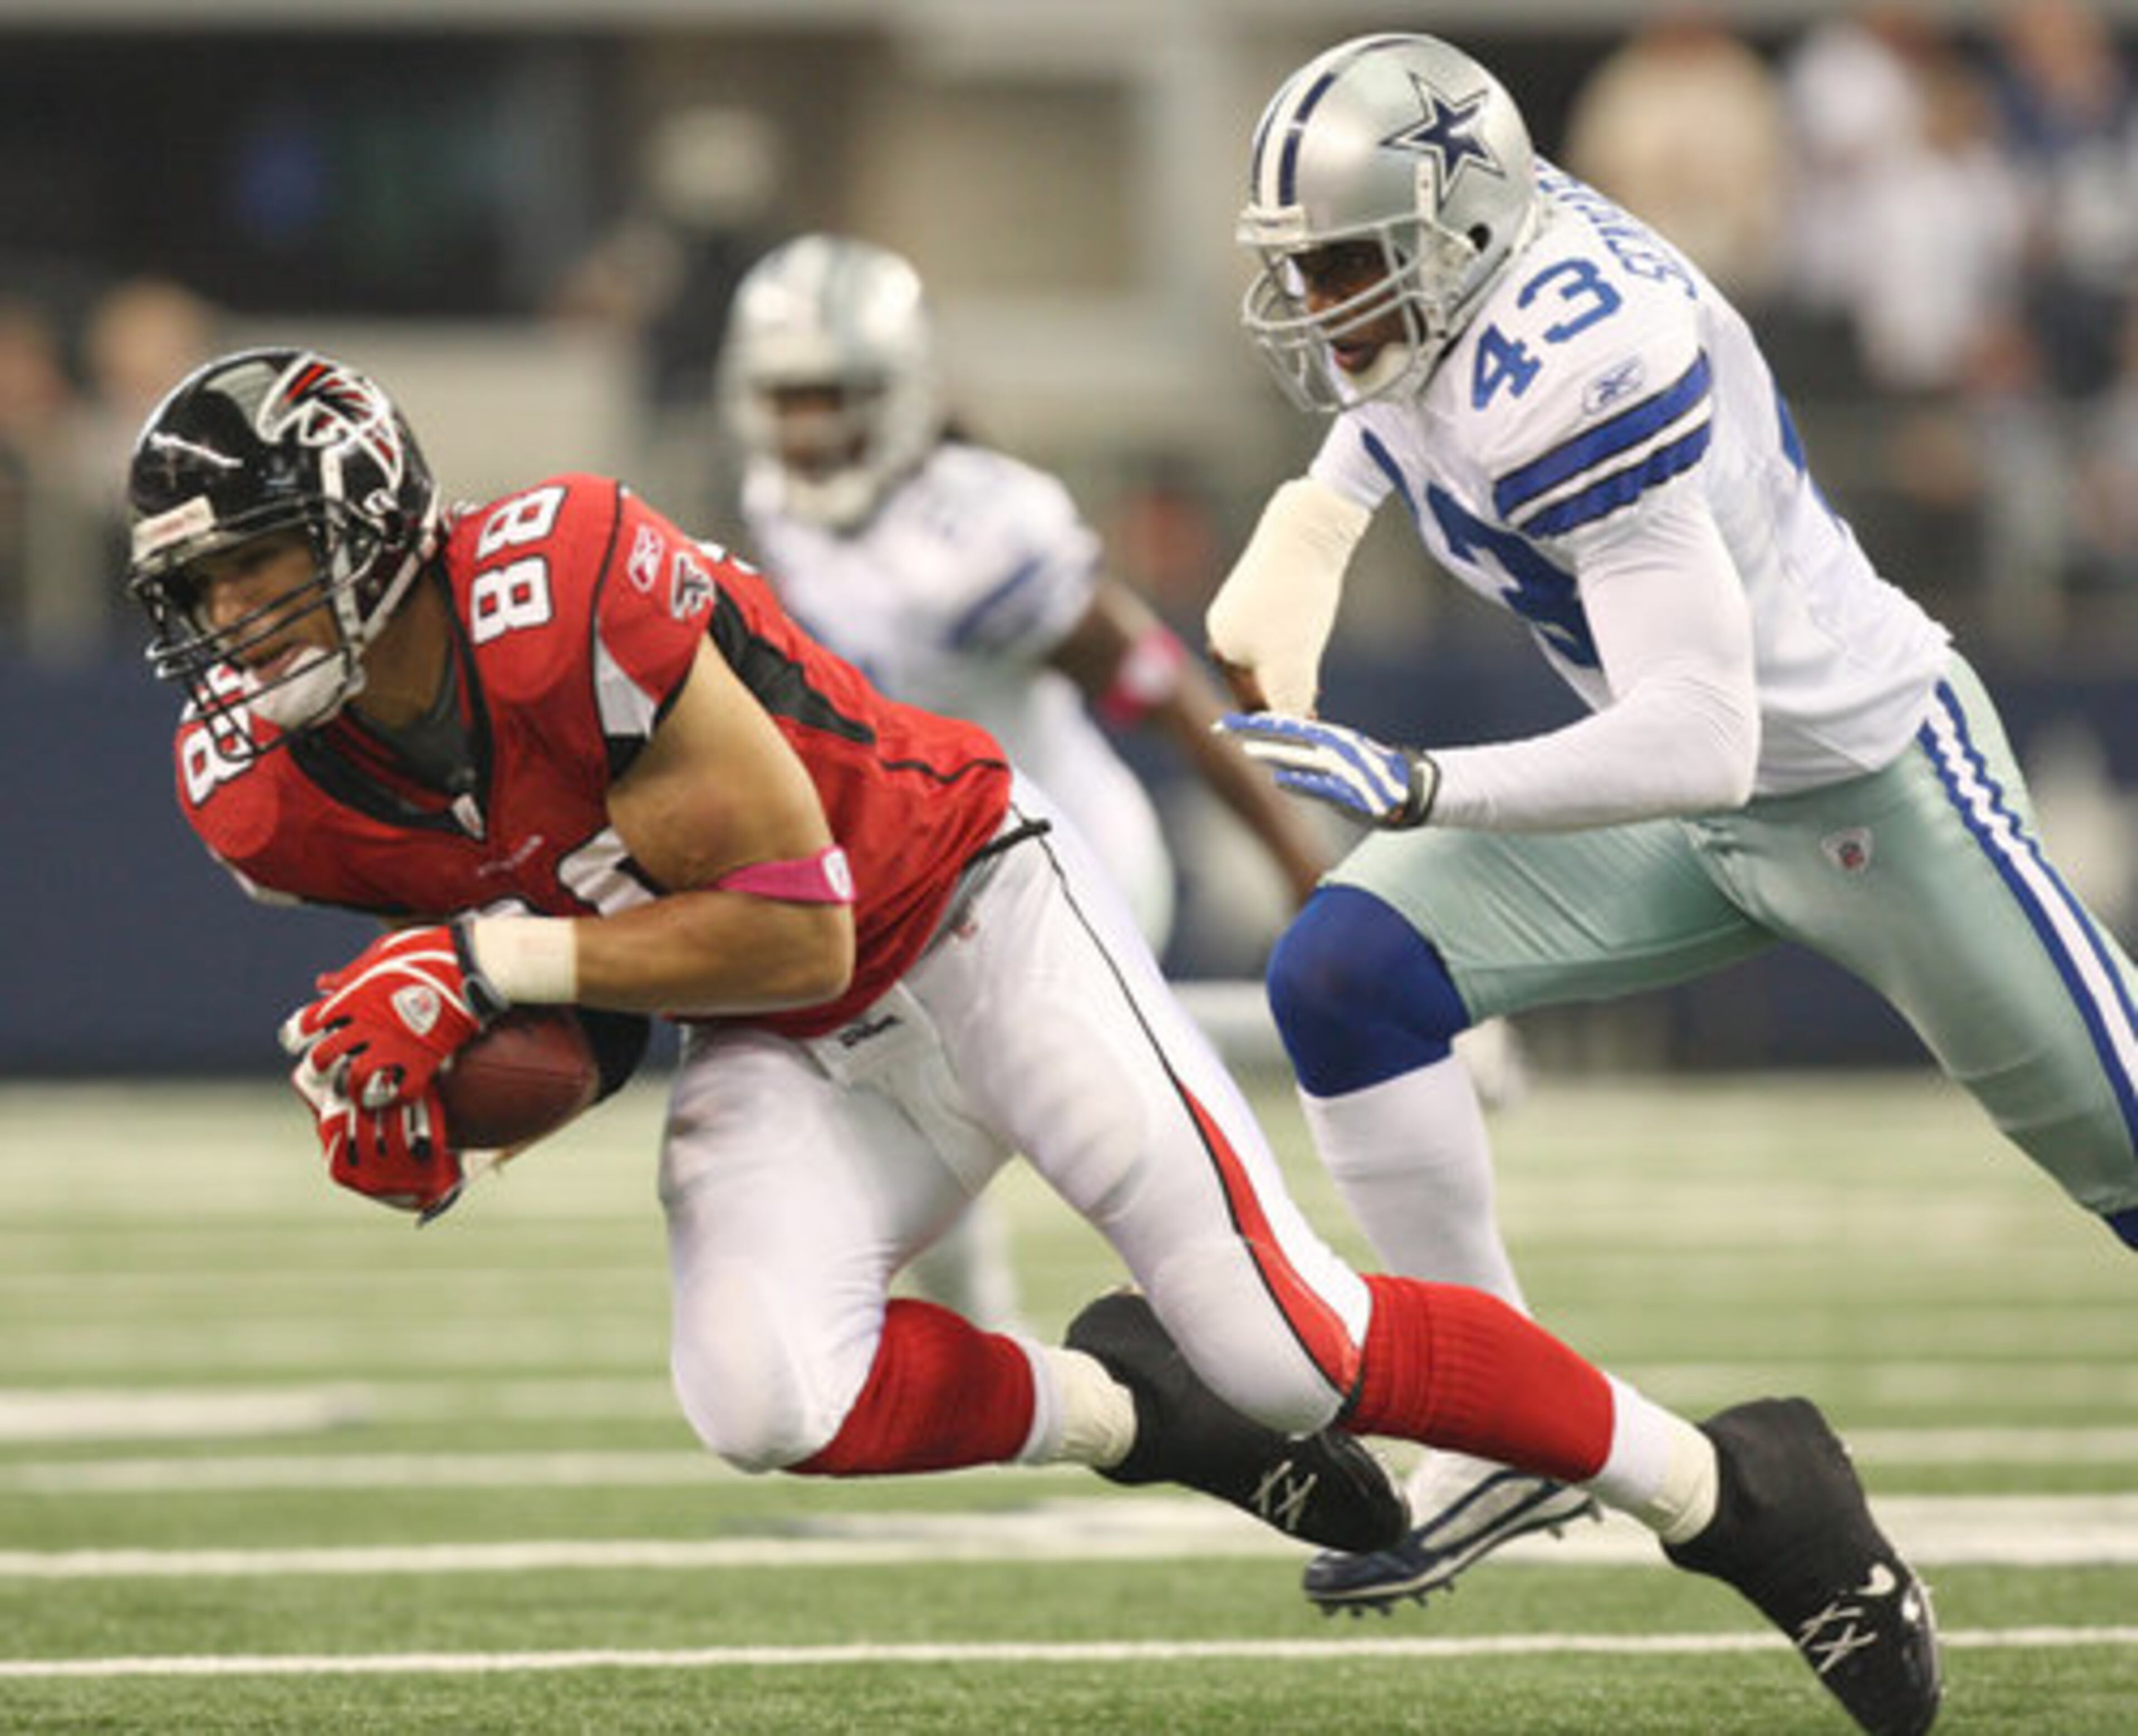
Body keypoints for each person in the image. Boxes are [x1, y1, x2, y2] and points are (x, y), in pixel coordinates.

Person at [125, 346, 1939, 1736]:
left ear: (369, 517)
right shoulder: (269, 793)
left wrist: (485, 956)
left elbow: (794, 912)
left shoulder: (566, 588)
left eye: (258, 569)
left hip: (966, 912)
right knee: (761, 1393)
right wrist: (451, 1109)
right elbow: (585, 1010)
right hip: (786, 1046)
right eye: (201, 592)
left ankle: (1739, 1485)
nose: (229, 624)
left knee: (1298, 1337)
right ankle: (1133, 1406)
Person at [1207, 30, 2138, 1621]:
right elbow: (1400, 396)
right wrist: (1319, 519)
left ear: (1454, 234)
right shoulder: (1473, 260)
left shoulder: (1585, 365)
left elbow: (1706, 738)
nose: (1320, 309)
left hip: (1869, 790)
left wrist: (1428, 784)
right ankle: (1498, 1414)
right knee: (1344, 975)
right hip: (1682, 801)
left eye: (1348, 267)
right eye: (1302, 273)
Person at [715, 231, 1335, 1323]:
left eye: (833, 396)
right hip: (922, 878)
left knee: (1066, 1121)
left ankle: (1381, 1039)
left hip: (1064, 853)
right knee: (900, 1116)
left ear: (899, 391)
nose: (806, 428)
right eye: (787, 398)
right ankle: (987, 1360)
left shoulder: (989, 530)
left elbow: (1167, 693)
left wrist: (1301, 867)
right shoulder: (777, 505)